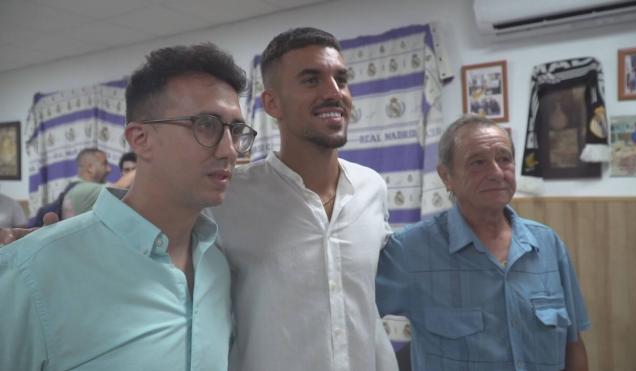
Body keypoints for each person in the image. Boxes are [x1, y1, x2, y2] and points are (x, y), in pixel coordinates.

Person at [0, 42, 256, 370]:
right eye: (206, 124)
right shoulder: (32, 271)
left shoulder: (217, 267)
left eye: (236, 131)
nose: (230, 150)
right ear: (140, 139)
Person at [211, 27, 398, 371]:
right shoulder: (230, 198)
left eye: (341, 80)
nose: (334, 93)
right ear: (272, 103)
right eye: (311, 80)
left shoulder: (372, 188)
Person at [376, 114, 590, 371]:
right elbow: (347, 320)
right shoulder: (409, 251)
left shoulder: (548, 245)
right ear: (446, 176)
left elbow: (573, 342)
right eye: (478, 163)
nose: (496, 173)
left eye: (504, 159)